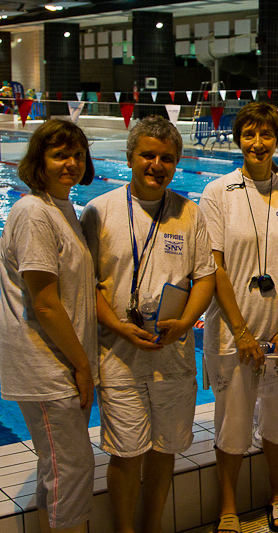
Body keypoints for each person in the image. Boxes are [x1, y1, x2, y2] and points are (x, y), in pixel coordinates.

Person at [81, 116, 216, 532]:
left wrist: (187, 322)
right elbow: (87, 286)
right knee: (126, 454)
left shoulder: (189, 213)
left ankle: (152, 527)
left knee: (164, 450)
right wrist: (118, 327)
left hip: (173, 354)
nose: (157, 165)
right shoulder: (99, 211)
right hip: (119, 355)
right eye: (148, 156)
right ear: (130, 158)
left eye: (167, 158)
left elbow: (205, 277)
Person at [199, 103, 278, 533]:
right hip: (234, 332)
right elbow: (215, 267)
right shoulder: (218, 192)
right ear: (238, 139)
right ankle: (228, 507)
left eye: (266, 135)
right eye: (249, 134)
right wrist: (242, 332)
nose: (258, 143)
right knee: (232, 422)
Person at [0, 119, 97, 533]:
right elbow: (44, 303)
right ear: (39, 161)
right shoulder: (33, 213)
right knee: (72, 468)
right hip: (46, 366)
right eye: (60, 155)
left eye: (77, 155)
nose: (71, 163)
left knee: (57, 467)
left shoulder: (62, 209)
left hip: (60, 362)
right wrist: (82, 366)